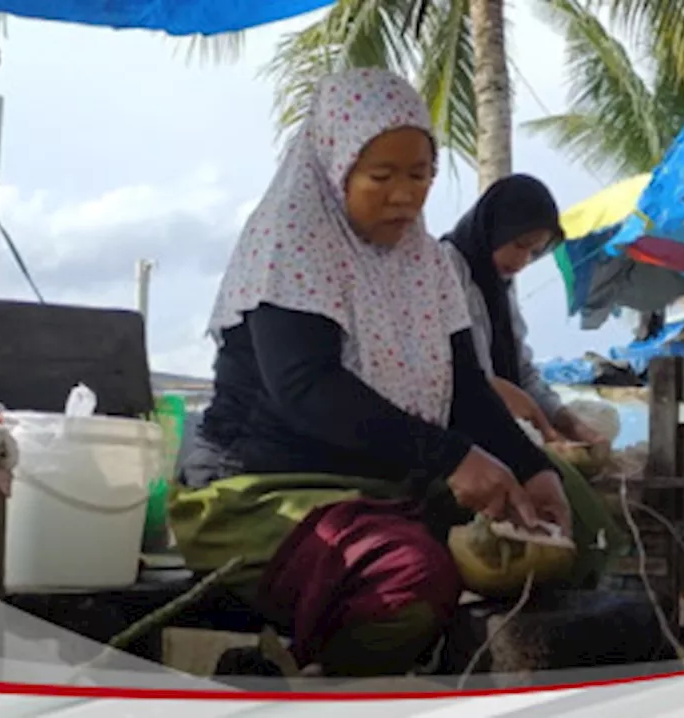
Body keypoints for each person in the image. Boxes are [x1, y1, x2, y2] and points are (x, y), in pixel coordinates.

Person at [167, 68, 619, 678]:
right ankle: (322, 685)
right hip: (261, 489)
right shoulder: (292, 241)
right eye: (381, 176)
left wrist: (533, 468)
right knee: (404, 583)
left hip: (388, 482)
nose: (405, 196)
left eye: (420, 175)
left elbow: (464, 391)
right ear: (336, 164)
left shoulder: (427, 263)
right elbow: (306, 389)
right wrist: (452, 459)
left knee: (581, 521)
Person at [440, 174, 611, 450]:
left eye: (534, 252)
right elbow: (461, 376)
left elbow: (524, 374)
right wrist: (537, 421)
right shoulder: (445, 268)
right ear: (494, 228)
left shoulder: (500, 290)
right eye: (519, 244)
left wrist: (571, 424)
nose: (522, 261)